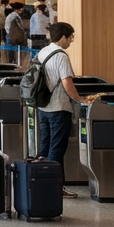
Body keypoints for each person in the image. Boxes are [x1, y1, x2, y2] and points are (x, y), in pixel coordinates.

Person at [34, 22, 82, 198]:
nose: (71, 41)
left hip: (43, 107)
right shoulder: (61, 56)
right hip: (59, 108)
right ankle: (54, 187)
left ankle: (40, 182)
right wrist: (80, 99)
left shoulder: (43, 52)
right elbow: (67, 83)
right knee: (56, 149)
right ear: (63, 37)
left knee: (45, 147)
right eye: (70, 37)